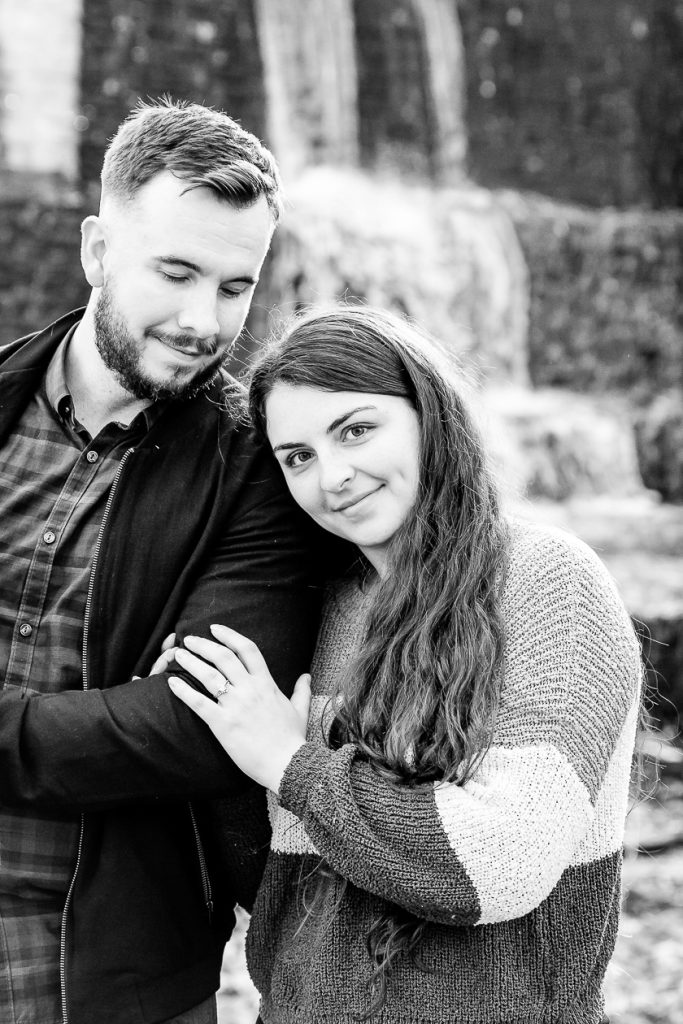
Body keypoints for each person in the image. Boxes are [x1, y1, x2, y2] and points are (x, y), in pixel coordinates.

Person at [168, 305, 643, 1024]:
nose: (332, 476)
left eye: (356, 430)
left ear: (428, 414)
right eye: (296, 456)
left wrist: (288, 759)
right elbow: (283, 884)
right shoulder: (320, 609)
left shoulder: (548, 583)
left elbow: (499, 865)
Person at [0, 99, 321, 1024]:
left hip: (107, 982)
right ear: (98, 250)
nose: (201, 319)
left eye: (234, 286)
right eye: (175, 272)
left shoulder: (260, 471)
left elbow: (187, 723)